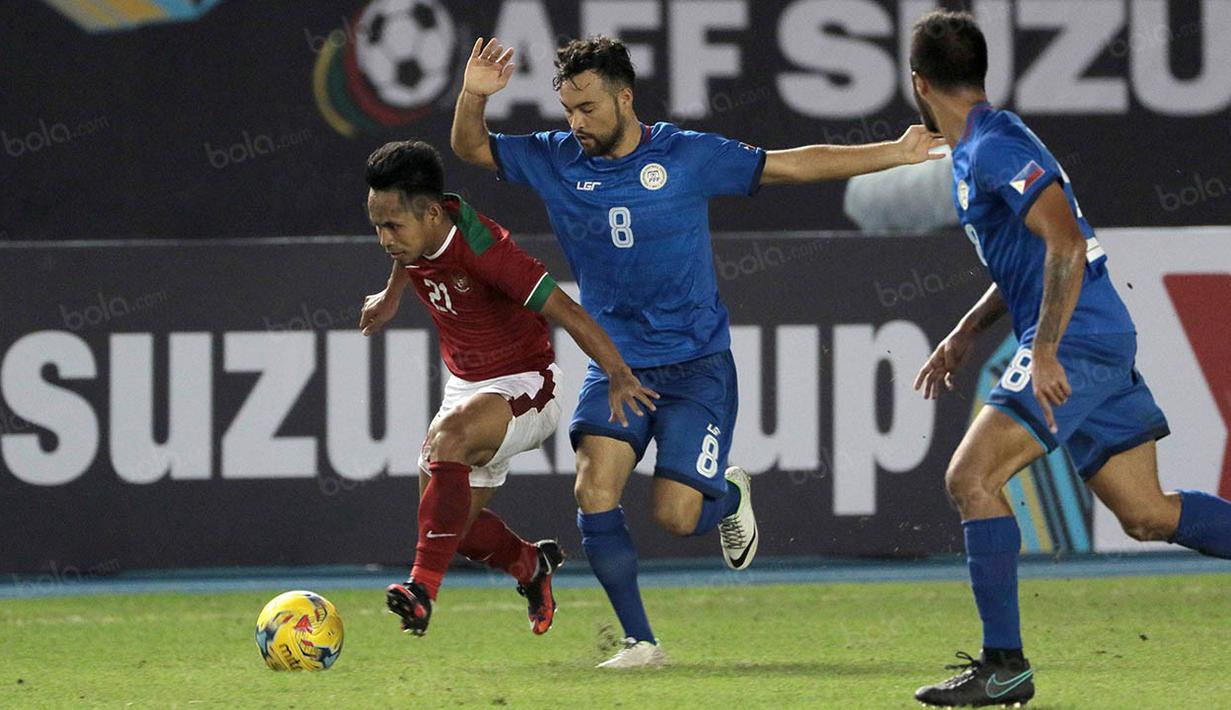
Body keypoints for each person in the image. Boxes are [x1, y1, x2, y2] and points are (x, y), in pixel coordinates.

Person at [451, 35, 944, 667]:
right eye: (568, 110)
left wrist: (896, 152)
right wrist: (473, 95)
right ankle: (641, 642)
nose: (576, 123)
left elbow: (791, 165)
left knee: (678, 517)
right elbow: (470, 147)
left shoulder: (686, 155)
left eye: (589, 108)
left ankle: (729, 497)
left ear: (625, 98)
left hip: (696, 367)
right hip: (617, 366)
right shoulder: (555, 158)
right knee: (593, 489)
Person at [907, 11, 1231, 707]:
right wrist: (966, 330)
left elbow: (1067, 243)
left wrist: (1046, 349)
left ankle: (1004, 666)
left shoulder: (994, 146)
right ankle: (1003, 666)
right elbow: (1029, 255)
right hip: (1092, 335)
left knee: (971, 479)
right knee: (1146, 513)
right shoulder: (981, 146)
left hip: (1075, 339)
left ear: (918, 84)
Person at [357, 140, 657, 638]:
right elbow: (409, 253)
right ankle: (530, 564)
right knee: (449, 527)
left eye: (392, 226)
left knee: (449, 444)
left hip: (528, 383)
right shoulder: (419, 232)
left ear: (431, 214)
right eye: (377, 227)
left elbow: (569, 311)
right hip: (466, 387)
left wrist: (619, 373)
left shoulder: (487, 253)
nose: (385, 239)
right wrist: (391, 296)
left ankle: (421, 591)